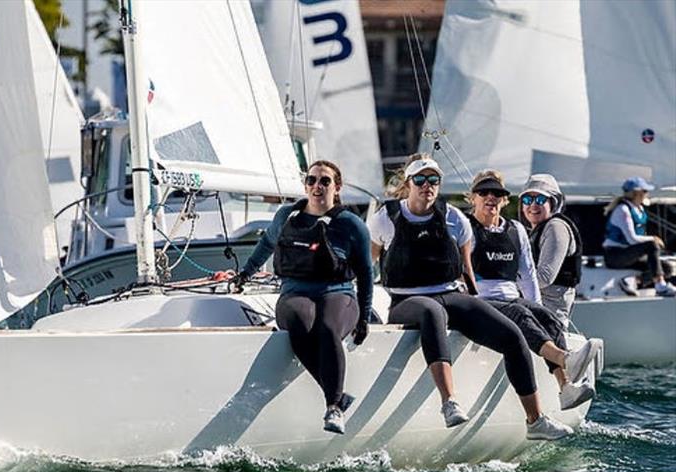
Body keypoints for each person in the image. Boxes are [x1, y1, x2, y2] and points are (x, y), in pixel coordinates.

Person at [369, 153, 572, 440]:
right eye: (421, 179)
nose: (427, 185)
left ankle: (535, 420)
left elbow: (467, 273)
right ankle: (449, 402)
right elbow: (366, 267)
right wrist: (361, 309)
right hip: (406, 301)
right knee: (431, 312)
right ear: (409, 183)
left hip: (450, 294)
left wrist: (478, 308)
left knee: (513, 336)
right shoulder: (385, 219)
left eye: (434, 180)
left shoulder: (453, 218)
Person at [232, 160, 372, 435]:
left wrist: (364, 317)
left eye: (324, 181)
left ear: (337, 187)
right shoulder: (287, 216)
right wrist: (245, 274)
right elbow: (266, 244)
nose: (317, 186)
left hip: (338, 293)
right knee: (299, 323)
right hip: (295, 292)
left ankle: (333, 406)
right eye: (311, 180)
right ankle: (338, 396)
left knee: (328, 328)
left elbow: (366, 273)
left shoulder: (351, 224)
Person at [467, 170, 598, 411]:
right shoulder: (465, 227)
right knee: (522, 315)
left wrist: (536, 308)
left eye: (497, 193)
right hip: (482, 302)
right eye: (528, 200)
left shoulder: (522, 229)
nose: (490, 198)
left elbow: (531, 279)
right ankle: (565, 360)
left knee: (543, 316)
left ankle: (566, 386)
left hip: (523, 303)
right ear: (472, 197)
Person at [518, 174, 582, 327]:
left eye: (540, 200)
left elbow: (544, 277)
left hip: (548, 314)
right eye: (527, 200)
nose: (533, 205)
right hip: (530, 307)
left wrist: (504, 285)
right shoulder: (531, 231)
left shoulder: (556, 227)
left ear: (553, 203)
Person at [602, 177, 676, 297]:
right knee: (652, 244)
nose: (647, 194)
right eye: (645, 191)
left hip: (628, 255)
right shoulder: (623, 210)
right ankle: (660, 286)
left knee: (666, 268)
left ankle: (634, 280)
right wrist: (653, 239)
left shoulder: (639, 209)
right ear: (636, 193)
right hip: (615, 256)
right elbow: (632, 239)